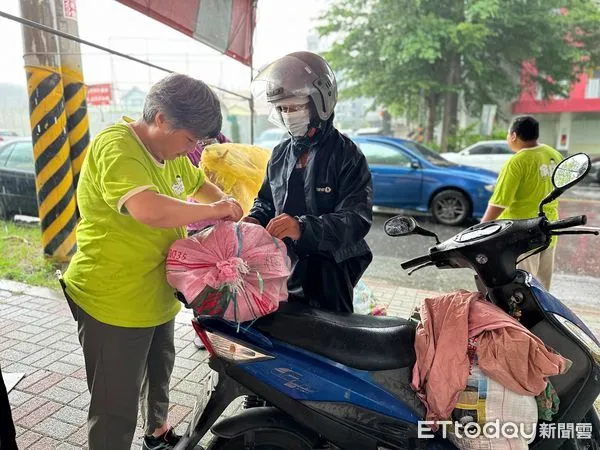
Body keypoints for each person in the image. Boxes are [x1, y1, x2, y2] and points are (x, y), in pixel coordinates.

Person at [61, 73, 243, 450]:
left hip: (155, 293)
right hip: (113, 300)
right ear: (160, 119)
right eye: (190, 139)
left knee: (160, 370)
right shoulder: (117, 147)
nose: (192, 148)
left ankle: (156, 434)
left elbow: (195, 182)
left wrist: (228, 205)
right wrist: (214, 209)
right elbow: (146, 208)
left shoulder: (171, 154)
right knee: (116, 404)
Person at [243, 51, 373, 313]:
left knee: (330, 338)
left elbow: (357, 219)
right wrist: (255, 219)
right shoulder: (280, 154)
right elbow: (267, 200)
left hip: (332, 269)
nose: (288, 115)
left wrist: (302, 227)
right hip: (284, 265)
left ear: (319, 104)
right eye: (281, 109)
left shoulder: (346, 155)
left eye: (295, 107)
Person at [481, 115, 563, 290]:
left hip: (521, 236)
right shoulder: (553, 154)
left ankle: (517, 319)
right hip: (549, 230)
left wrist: (481, 229)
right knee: (542, 291)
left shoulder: (517, 161)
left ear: (514, 135)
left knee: (522, 291)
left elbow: (500, 202)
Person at [185, 131, 230, 350]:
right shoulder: (187, 144)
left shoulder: (222, 140)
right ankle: (202, 328)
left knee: (222, 278)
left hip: (221, 222)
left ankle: (219, 327)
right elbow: (188, 181)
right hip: (196, 223)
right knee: (200, 281)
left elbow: (235, 164)